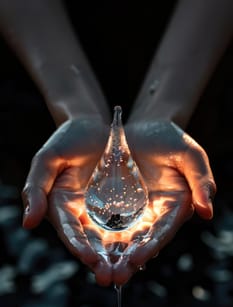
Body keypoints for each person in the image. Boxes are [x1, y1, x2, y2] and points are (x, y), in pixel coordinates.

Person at [0, 0, 232, 287]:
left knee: (192, 253)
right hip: (45, 73)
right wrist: (75, 107)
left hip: (191, 70)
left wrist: (162, 108)